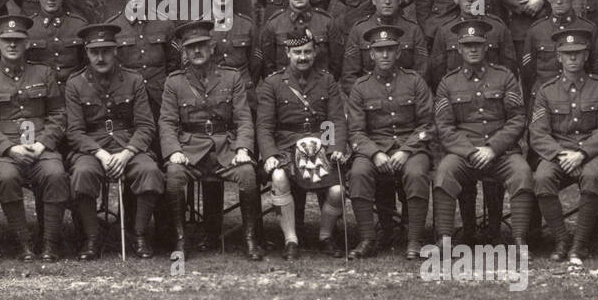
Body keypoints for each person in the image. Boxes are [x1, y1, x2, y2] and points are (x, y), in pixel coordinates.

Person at [0, 14, 73, 261]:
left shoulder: (44, 74)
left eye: (18, 40)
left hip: (40, 146)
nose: (12, 44)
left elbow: (58, 115)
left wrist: (42, 144)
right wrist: (9, 149)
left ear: (27, 43)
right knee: (6, 177)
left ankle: (50, 243)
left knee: (55, 174)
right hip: (4, 152)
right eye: (7, 40)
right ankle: (23, 244)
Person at [159, 20, 262, 260]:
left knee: (247, 174)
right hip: (190, 148)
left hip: (225, 147)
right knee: (173, 177)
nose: (197, 51)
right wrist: (174, 150)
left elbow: (244, 119)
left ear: (212, 46)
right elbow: (167, 122)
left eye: (202, 45)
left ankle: (250, 239)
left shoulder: (231, 77)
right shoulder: (174, 82)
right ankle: (180, 240)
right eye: (191, 47)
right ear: (184, 51)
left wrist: (243, 148)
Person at [64, 23, 164, 258]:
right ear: (87, 53)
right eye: (94, 52)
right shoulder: (75, 83)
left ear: (116, 50)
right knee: (82, 174)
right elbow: (75, 131)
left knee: (149, 170)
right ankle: (92, 237)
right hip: (92, 149)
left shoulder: (134, 80)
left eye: (106, 51)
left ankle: (139, 235)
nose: (100, 57)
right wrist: (100, 153)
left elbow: (146, 125)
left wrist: (127, 153)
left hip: (128, 146)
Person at [432, 19, 535, 248]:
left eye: (477, 44)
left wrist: (492, 148)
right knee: (444, 173)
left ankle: (519, 239)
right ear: (459, 48)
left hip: (501, 152)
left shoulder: (504, 77)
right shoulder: (448, 83)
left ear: (486, 46)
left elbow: (518, 118)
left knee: (522, 173)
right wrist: (469, 152)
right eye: (467, 45)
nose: (472, 49)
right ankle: (446, 239)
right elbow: (444, 127)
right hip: (463, 152)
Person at [346, 24, 435, 260]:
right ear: (371, 54)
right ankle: (367, 238)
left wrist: (406, 151)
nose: (385, 55)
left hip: (411, 148)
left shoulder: (414, 81)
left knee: (416, 174)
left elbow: (427, 125)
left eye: (390, 50)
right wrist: (375, 154)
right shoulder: (360, 87)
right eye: (379, 50)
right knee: (358, 173)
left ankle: (414, 239)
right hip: (374, 148)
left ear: (398, 52)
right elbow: (355, 131)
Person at [256, 30, 348, 259]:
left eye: (307, 51)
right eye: (297, 52)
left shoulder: (327, 81)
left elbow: (334, 119)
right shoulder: (274, 83)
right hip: (287, 145)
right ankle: (291, 240)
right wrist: (269, 155)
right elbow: (265, 126)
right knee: (278, 176)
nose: (302, 57)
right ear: (288, 53)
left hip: (320, 143)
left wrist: (333, 149)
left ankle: (325, 237)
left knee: (337, 190)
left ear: (315, 52)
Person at [528, 27, 598, 261]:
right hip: (559, 153)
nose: (573, 57)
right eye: (567, 53)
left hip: (595, 153)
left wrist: (583, 153)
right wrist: (560, 155)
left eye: (578, 52)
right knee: (542, 178)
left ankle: (580, 244)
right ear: (559, 56)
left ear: (586, 55)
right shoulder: (546, 91)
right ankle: (561, 240)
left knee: (592, 176)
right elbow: (538, 132)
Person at [341, 0, 427, 95]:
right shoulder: (359, 30)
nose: (387, 1)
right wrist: (365, 99)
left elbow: (422, 73)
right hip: (369, 99)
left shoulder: (413, 29)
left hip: (405, 99)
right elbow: (349, 77)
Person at [427, 0, 515, 89]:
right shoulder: (445, 30)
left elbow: (509, 67)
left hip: (492, 92)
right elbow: (437, 72)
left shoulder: (498, 28)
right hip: (457, 94)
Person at [108, 0, 177, 113]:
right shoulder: (113, 28)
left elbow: (174, 63)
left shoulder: (164, 23)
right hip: (127, 98)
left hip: (161, 98)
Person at [258, 0, 343, 77]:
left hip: (320, 90)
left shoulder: (326, 22)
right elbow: (268, 67)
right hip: (285, 89)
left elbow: (336, 64)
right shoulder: (274, 24)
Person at [520, 0, 594, 98]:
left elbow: (595, 70)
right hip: (546, 99)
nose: (559, 1)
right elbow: (528, 74)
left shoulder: (589, 28)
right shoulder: (536, 30)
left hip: (580, 98)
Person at [25, 0, 88, 84]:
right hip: (41, 90)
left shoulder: (79, 25)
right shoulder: (29, 28)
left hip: (73, 88)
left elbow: (87, 64)